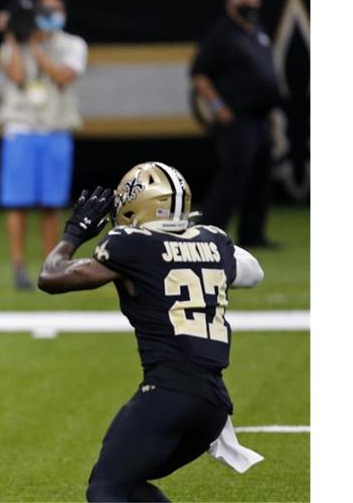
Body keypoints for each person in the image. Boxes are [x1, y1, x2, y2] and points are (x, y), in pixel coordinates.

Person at [38, 162, 264, 501]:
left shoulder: (131, 244)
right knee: (129, 485)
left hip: (168, 394)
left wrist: (74, 233)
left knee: (106, 488)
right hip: (213, 405)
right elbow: (252, 271)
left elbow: (51, 277)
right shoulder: (215, 242)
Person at [0, 0, 87, 289]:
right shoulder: (14, 44)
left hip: (55, 129)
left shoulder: (73, 45)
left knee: (51, 203)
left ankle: (51, 263)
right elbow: (18, 76)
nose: (51, 15)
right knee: (17, 202)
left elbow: (62, 76)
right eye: (45, 10)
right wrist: (13, 35)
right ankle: (18, 266)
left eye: (56, 10)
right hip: (20, 128)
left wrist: (35, 44)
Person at [190, 0, 282, 248]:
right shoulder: (222, 34)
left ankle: (252, 235)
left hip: (261, 118)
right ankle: (209, 232)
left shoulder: (257, 32)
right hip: (236, 119)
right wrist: (218, 107)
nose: (251, 4)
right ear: (231, 2)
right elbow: (199, 74)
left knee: (260, 177)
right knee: (233, 175)